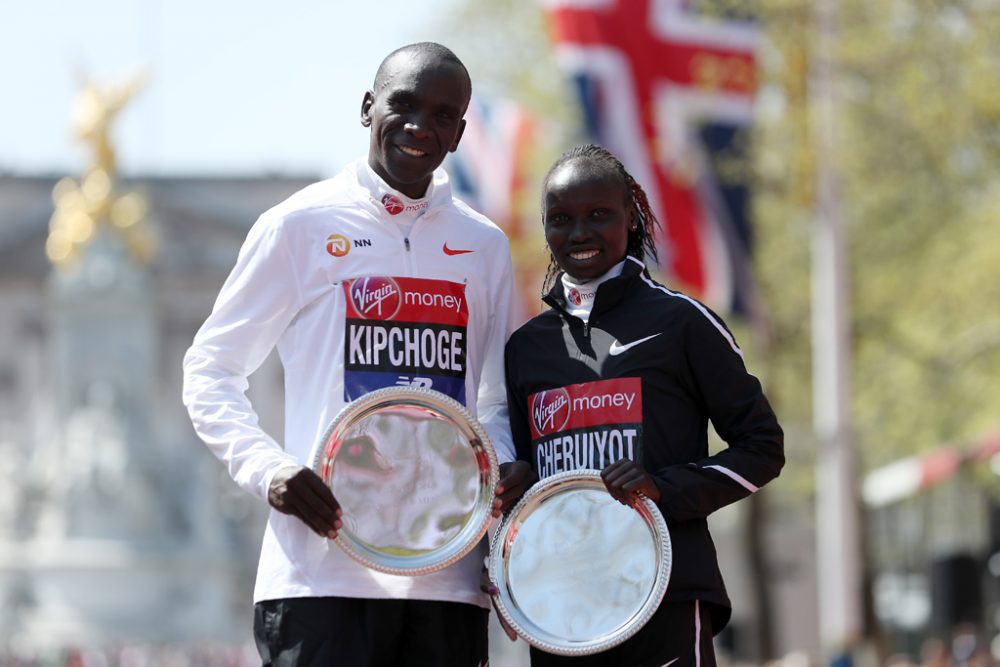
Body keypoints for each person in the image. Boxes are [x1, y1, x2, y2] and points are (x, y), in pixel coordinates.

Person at [183, 42, 532, 667]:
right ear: (368, 108)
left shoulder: (483, 245)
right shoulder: (298, 224)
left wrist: (500, 462)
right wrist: (270, 472)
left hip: (446, 577)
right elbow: (210, 369)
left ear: (458, 133)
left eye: (442, 115)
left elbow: (498, 395)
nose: (419, 127)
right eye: (402, 105)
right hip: (320, 575)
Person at [501, 144, 785, 666]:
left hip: (665, 595)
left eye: (598, 215)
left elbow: (763, 448)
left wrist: (663, 490)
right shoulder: (525, 347)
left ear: (631, 216)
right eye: (560, 219)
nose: (579, 233)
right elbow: (527, 485)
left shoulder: (683, 322)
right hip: (561, 610)